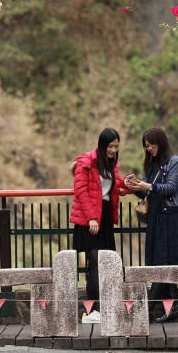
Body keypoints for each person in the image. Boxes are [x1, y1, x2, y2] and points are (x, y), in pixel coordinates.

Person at [125, 126, 178, 323]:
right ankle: (172, 308)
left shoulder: (174, 162)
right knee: (160, 262)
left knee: (167, 263)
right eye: (146, 146)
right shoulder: (152, 165)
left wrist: (148, 185)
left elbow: (170, 188)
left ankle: (149, 308)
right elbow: (147, 193)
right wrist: (135, 186)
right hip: (156, 218)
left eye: (151, 145)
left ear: (160, 143)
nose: (149, 149)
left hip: (171, 219)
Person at [69, 127, 124, 324]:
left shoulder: (111, 164)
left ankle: (105, 308)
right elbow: (81, 191)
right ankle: (92, 310)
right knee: (94, 263)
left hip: (105, 217)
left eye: (116, 147)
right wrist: (92, 217)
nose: (113, 150)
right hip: (89, 219)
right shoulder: (86, 163)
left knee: (106, 261)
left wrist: (130, 183)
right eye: (110, 146)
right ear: (102, 145)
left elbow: (116, 184)